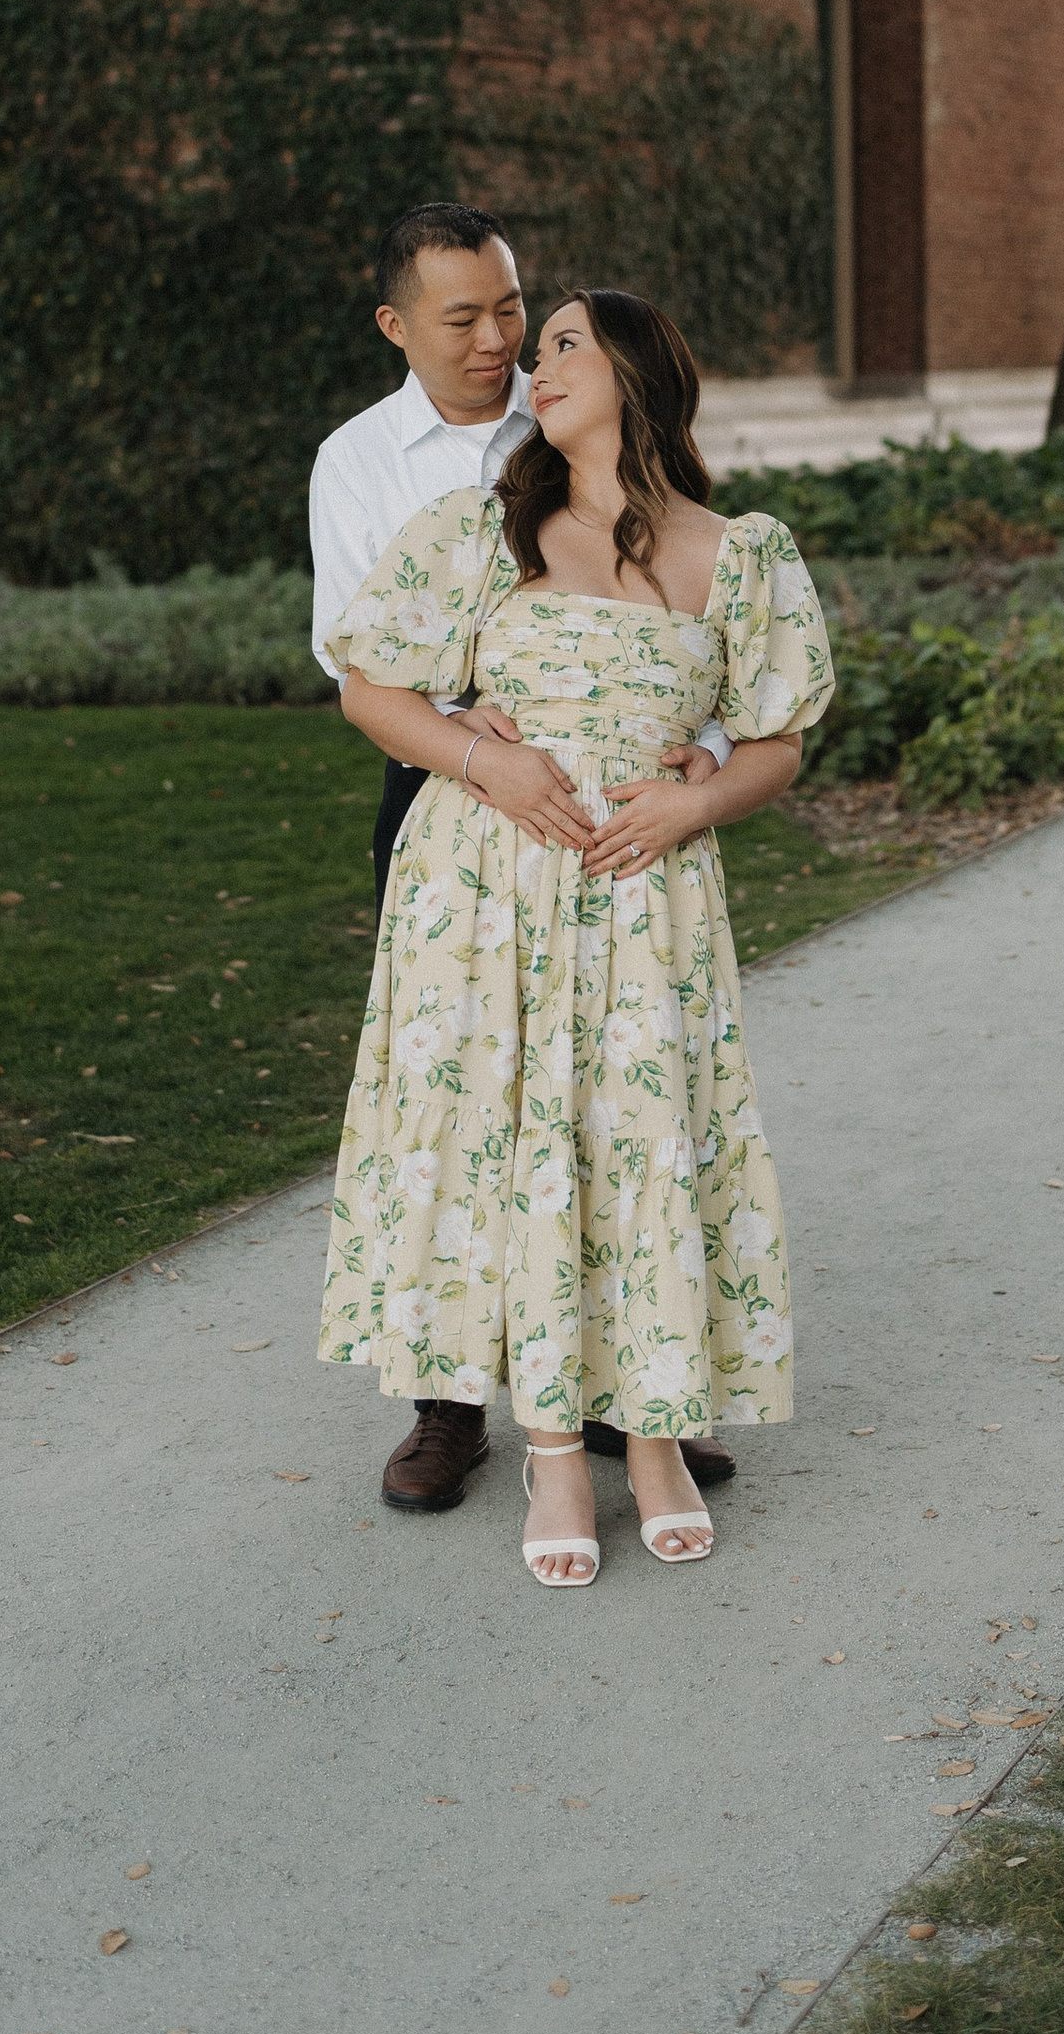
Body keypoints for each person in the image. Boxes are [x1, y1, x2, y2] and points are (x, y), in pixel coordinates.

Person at [316, 286, 833, 1583]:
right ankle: (552, 1449)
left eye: (560, 344)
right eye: (529, 345)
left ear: (639, 370)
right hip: (488, 891)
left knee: (638, 1145)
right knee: (516, 1148)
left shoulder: (742, 551)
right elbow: (371, 687)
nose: (528, 364)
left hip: (647, 892)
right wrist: (478, 762)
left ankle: (652, 1428)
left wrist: (697, 795)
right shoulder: (486, 532)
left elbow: (780, 738)